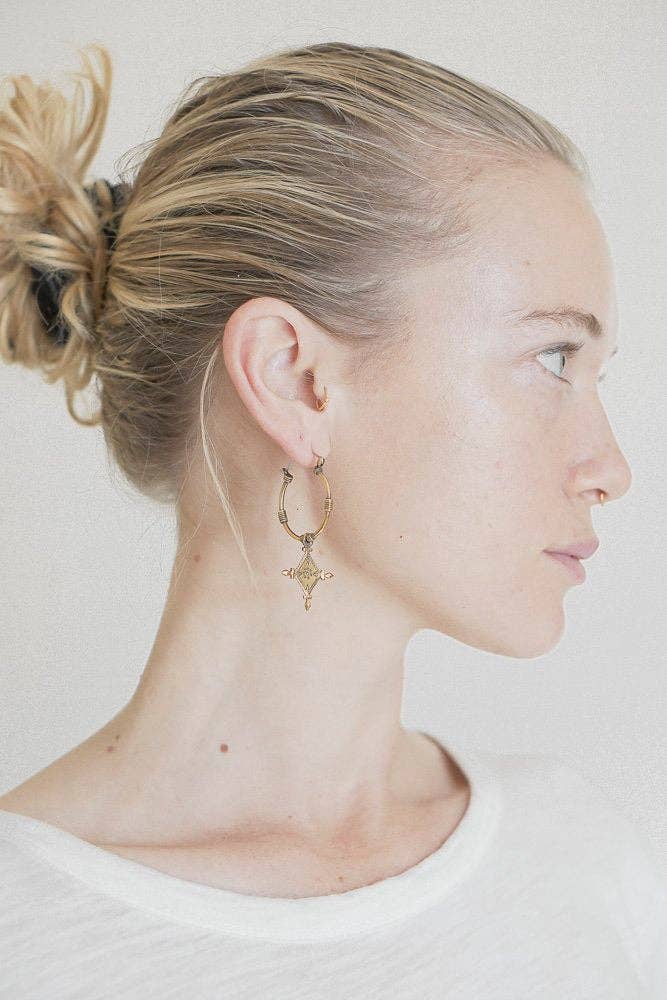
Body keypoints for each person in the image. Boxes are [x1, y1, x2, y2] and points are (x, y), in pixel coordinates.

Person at [0, 40, 664, 999]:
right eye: (554, 359)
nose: (611, 469)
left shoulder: (582, 866)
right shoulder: (26, 940)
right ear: (294, 380)